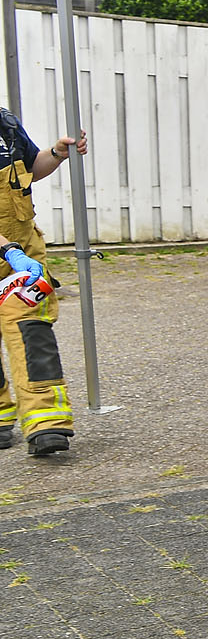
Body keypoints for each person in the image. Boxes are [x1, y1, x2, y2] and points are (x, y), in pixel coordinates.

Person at [0, 108, 86, 457]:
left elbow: (30, 170)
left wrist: (56, 154)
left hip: (20, 257)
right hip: (11, 251)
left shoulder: (4, 124)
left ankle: (45, 423)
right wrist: (7, 249)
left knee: (32, 334)